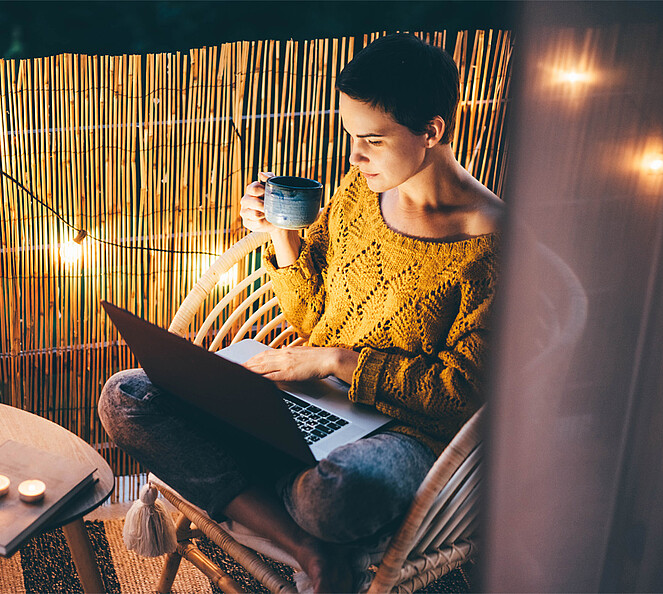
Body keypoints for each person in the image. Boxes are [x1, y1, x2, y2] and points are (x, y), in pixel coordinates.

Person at [99, 33, 504, 593]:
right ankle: (306, 549)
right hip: (313, 395)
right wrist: (282, 236)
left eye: (372, 141)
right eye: (350, 138)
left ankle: (254, 479)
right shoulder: (364, 191)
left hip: (409, 435)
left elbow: (463, 395)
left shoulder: (494, 247)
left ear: (431, 131)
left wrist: (338, 361)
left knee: (330, 495)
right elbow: (311, 318)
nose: (355, 157)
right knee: (128, 396)